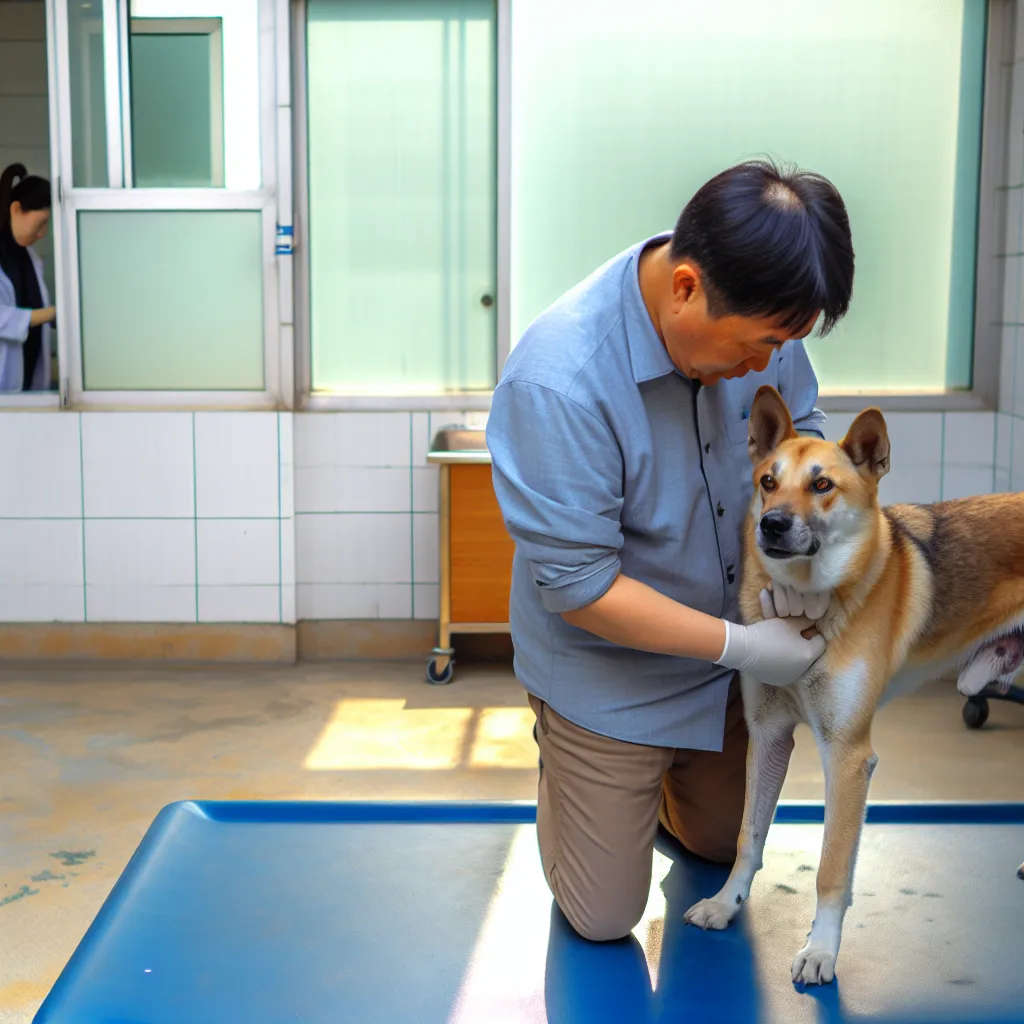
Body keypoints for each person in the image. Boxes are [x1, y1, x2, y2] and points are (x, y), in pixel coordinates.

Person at [486, 158, 855, 943]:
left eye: (784, 345)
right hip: (607, 673)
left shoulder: (762, 321)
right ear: (685, 288)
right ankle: (578, 769)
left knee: (722, 846)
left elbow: (804, 435)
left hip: (726, 665)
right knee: (604, 917)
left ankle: (659, 788)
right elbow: (583, 588)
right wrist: (745, 645)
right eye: (757, 347)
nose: (765, 366)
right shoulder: (559, 380)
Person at [0, 163, 55, 392]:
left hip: (28, 386)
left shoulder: (30, 258)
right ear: (16, 210)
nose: (43, 233)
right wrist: (51, 314)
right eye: (40, 223)